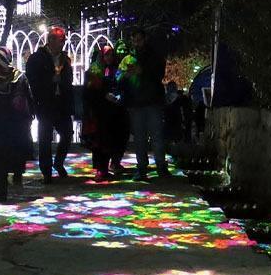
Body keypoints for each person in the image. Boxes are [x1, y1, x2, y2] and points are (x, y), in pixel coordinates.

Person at [0, 47, 34, 203]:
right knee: (15, 152)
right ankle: (17, 179)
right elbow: (28, 98)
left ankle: (0, 187)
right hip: (16, 123)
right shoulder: (18, 76)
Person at [24, 26, 74, 183]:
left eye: (64, 40)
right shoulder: (37, 58)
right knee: (45, 138)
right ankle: (46, 171)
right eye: (61, 40)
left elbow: (69, 80)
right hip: (45, 103)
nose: (63, 43)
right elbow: (32, 80)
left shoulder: (65, 59)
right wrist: (49, 82)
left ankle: (58, 163)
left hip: (62, 103)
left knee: (67, 134)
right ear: (51, 40)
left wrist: (64, 84)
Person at [118, 28, 169, 181]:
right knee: (139, 138)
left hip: (152, 101)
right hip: (136, 103)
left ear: (145, 39)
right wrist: (124, 76)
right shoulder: (129, 57)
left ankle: (161, 166)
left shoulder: (154, 55)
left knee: (156, 136)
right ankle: (142, 168)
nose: (136, 43)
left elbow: (159, 73)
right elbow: (119, 77)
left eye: (138, 40)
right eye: (134, 40)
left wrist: (143, 71)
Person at [81, 44, 129, 181]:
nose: (109, 58)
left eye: (111, 55)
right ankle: (100, 170)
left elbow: (121, 85)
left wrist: (118, 97)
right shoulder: (95, 70)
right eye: (106, 55)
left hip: (114, 112)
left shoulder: (116, 69)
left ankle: (110, 165)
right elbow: (89, 92)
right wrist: (104, 95)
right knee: (99, 142)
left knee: (111, 140)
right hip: (98, 112)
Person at [163, 81, 193, 146]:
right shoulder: (182, 99)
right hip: (178, 129)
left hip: (170, 129)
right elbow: (187, 115)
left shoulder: (164, 100)